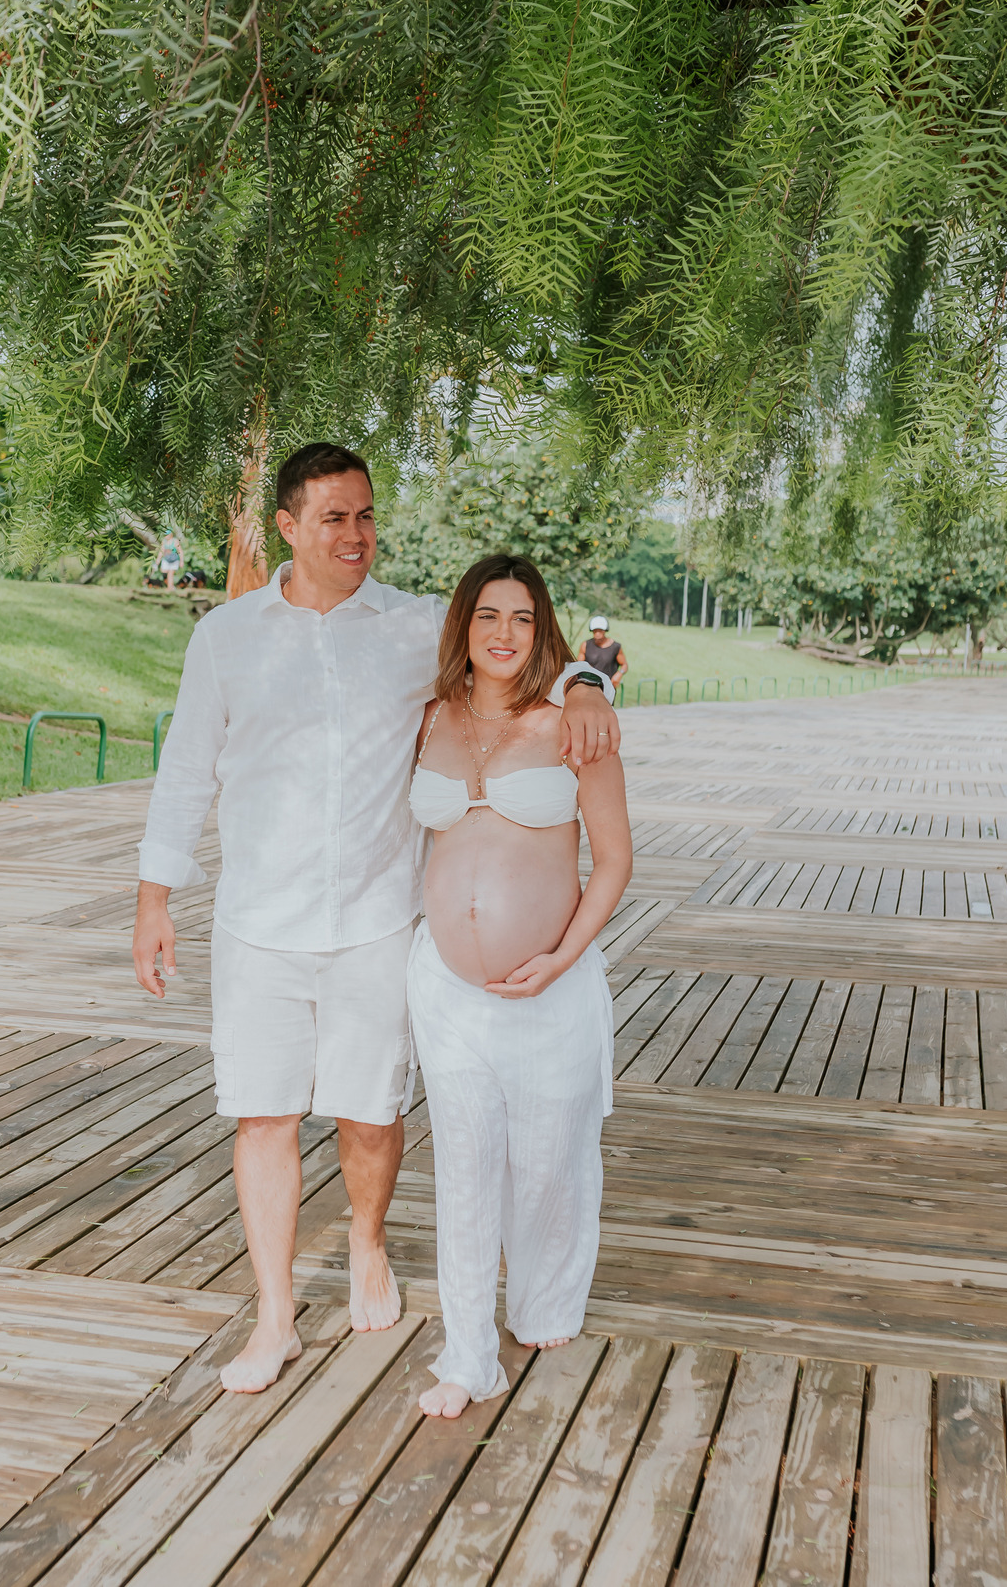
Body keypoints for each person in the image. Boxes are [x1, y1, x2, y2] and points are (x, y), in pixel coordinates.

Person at [131, 444, 622, 1395]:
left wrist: (586, 684)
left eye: (365, 516)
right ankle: (275, 1316)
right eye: (333, 519)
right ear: (286, 527)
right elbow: (186, 769)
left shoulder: (408, 629)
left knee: (369, 1114)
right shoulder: (225, 639)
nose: (355, 536)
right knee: (262, 1113)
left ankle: (365, 1244)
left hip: (374, 919)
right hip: (255, 924)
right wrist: (156, 898)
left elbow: (513, 654)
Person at [408, 555, 633, 1418]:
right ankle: (467, 1356)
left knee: (549, 1159)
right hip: (447, 987)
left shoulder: (576, 726)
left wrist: (563, 955)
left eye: (525, 619)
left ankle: (543, 1304)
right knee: (464, 1166)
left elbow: (612, 861)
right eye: (489, 617)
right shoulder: (428, 719)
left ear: (545, 631)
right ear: (464, 624)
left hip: (552, 985)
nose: (505, 635)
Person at [578, 614, 627, 688]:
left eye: (600, 631)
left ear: (605, 631)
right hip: (588, 685)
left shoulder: (615, 647)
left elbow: (624, 665)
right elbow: (579, 664)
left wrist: (619, 674)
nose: (597, 634)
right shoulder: (585, 645)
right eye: (595, 631)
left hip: (607, 687)